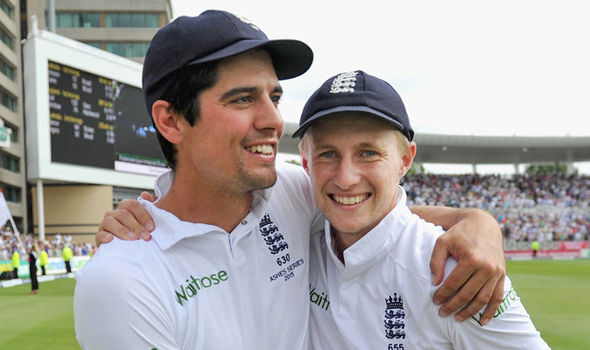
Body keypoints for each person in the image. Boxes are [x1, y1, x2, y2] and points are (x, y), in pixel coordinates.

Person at [76, 10, 505, 349]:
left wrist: (475, 222)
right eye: (244, 99)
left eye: (274, 96)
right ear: (171, 120)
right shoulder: (122, 279)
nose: (274, 120)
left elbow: (375, 210)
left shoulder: (292, 193)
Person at [294, 70, 549, 349]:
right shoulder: (298, 237)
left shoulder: (458, 274)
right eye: (327, 154)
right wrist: (473, 217)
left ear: (405, 159)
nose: (346, 178)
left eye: (368, 153)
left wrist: (480, 220)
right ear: (305, 162)